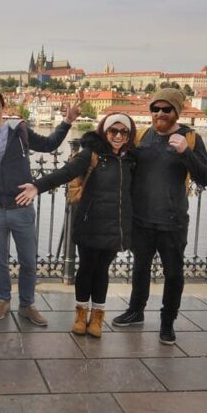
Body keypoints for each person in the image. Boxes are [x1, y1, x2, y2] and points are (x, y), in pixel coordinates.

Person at [17, 113, 136, 337]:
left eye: (123, 132)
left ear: (129, 135)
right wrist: (37, 186)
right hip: (90, 221)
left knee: (102, 271)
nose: (118, 136)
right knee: (87, 268)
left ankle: (97, 318)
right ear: (105, 131)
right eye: (113, 131)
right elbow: (66, 173)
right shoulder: (91, 154)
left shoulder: (132, 159)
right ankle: (81, 315)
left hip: (117, 225)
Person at [111, 88, 207, 345]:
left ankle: (167, 322)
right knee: (140, 269)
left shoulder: (190, 138)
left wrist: (185, 154)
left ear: (176, 111)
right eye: (155, 109)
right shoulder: (143, 135)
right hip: (141, 218)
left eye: (165, 109)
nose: (159, 113)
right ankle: (136, 311)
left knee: (174, 274)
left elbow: (206, 178)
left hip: (172, 221)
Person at [0, 89, 79, 326]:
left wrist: (67, 121)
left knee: (28, 261)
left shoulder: (19, 130)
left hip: (21, 207)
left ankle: (27, 304)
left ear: (2, 108)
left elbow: (49, 144)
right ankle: (3, 300)